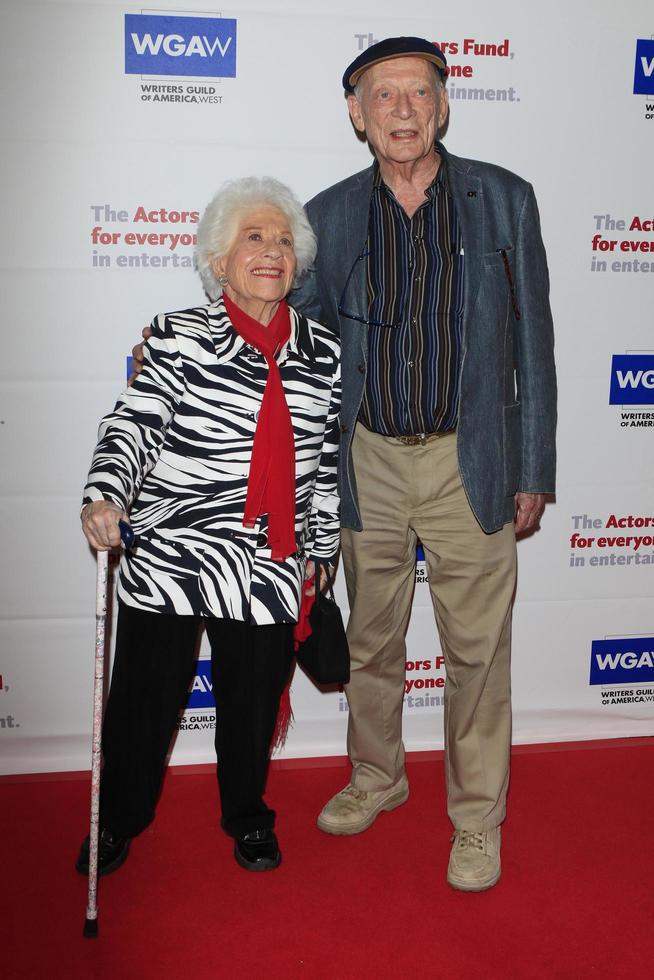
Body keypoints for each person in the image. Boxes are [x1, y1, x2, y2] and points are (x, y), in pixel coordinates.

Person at [133, 36, 557, 892]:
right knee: (371, 640)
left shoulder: (504, 200)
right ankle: (377, 776)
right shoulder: (326, 214)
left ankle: (477, 820)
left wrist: (533, 465)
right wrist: (177, 337)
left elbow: (533, 341)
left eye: (417, 93)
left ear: (442, 103)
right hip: (364, 460)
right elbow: (280, 333)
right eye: (382, 95)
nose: (401, 109)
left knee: (478, 652)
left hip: (470, 457)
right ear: (356, 115)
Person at [76, 176, 341, 876]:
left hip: (267, 559)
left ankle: (248, 815)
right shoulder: (177, 336)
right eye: (253, 238)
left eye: (284, 241)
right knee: (143, 702)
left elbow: (324, 465)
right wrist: (105, 493)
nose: (271, 252)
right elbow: (133, 424)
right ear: (219, 261)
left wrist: (319, 553)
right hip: (172, 551)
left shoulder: (322, 352)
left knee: (252, 706)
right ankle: (117, 820)